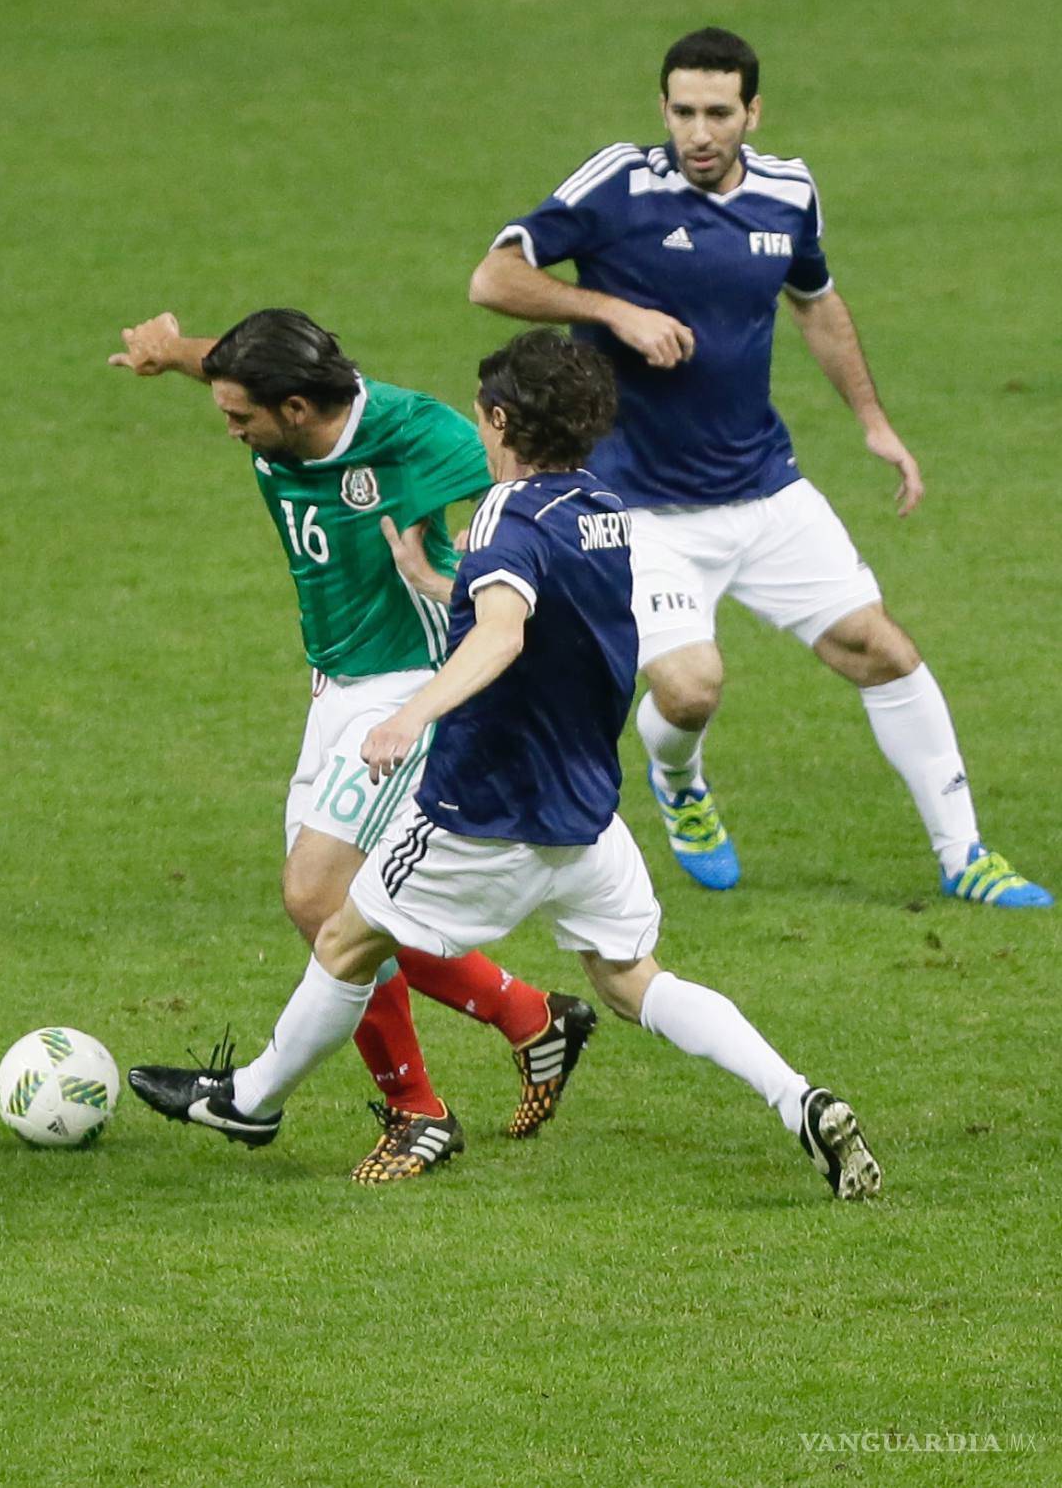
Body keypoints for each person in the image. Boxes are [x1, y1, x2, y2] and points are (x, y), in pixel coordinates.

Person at [128, 328, 882, 1202]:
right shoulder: (602, 509)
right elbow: (536, 612)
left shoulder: (503, 516)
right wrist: (440, 583)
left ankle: (253, 1102)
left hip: (483, 814)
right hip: (587, 815)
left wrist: (412, 713)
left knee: (340, 933)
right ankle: (798, 1096)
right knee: (635, 981)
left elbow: (502, 633)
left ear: (499, 420)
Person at [467, 27, 1051, 910]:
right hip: (640, 508)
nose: (698, 133)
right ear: (663, 108)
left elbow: (815, 302)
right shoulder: (619, 184)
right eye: (683, 112)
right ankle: (680, 782)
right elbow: (493, 277)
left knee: (883, 649)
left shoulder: (788, 192)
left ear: (753, 112)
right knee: (690, 689)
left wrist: (874, 423)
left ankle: (964, 853)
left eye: (718, 113)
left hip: (765, 489)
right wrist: (614, 310)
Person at [109, 308, 598, 1181]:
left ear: (295, 408)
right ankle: (531, 1017)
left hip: (407, 687)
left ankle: (414, 1113)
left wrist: (490, 562)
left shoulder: (415, 434)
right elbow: (226, 366)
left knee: (317, 893)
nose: (232, 430)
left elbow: (536, 484)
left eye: (241, 418)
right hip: (331, 687)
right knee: (335, 913)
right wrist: (170, 353)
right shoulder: (278, 401)